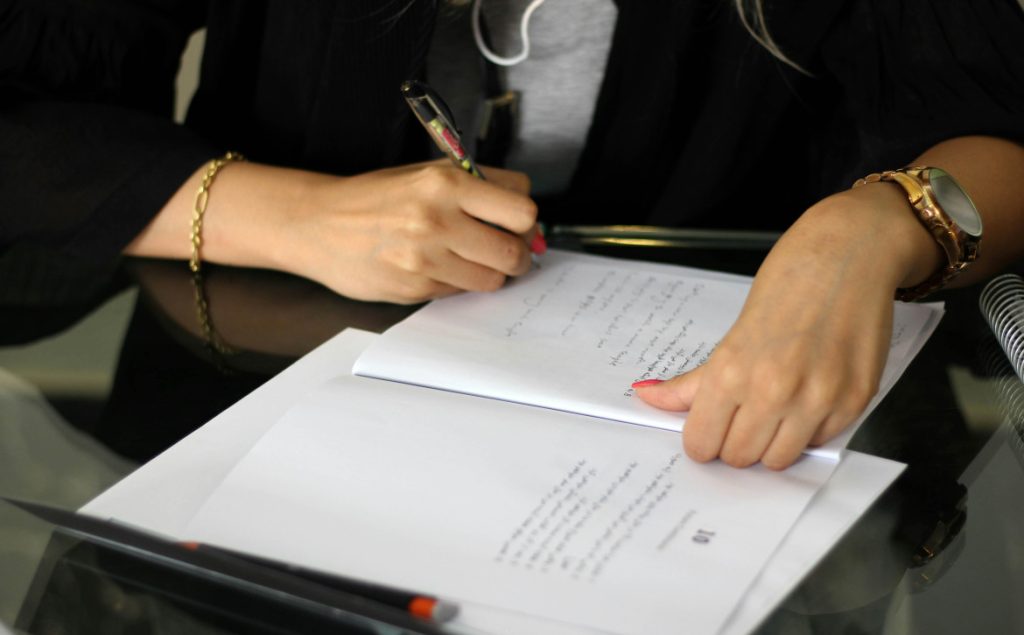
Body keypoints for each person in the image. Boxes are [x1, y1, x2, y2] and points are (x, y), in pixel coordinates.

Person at [2, 0, 1023, 470]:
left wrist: (872, 227)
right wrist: (288, 213)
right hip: (252, 406)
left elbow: (999, 129)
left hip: (699, 442)